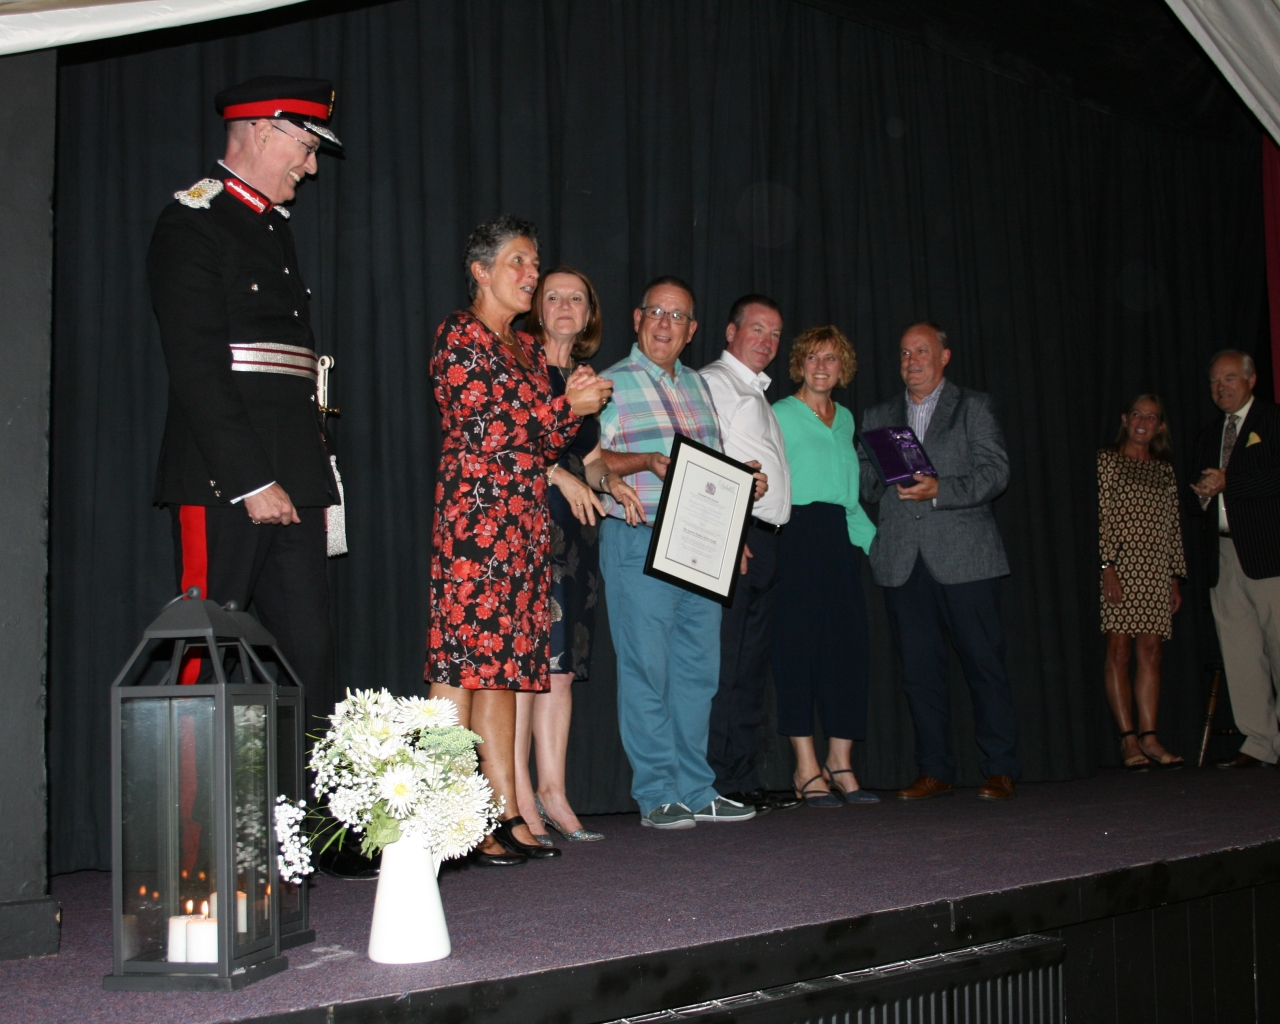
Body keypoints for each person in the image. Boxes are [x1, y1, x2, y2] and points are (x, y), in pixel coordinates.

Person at [148, 76, 345, 723]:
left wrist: (301, 472)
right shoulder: (194, 221)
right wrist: (250, 480)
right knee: (201, 648)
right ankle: (186, 793)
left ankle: (313, 792)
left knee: (310, 658)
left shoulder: (271, 228)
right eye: (306, 148)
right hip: (226, 481)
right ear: (262, 131)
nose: (311, 167)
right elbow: (197, 369)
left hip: (294, 473)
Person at [426, 217, 613, 865]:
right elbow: (487, 429)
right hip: (475, 522)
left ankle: (504, 811)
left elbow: (546, 441)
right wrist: (568, 408)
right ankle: (453, 816)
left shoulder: (528, 349)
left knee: (504, 671)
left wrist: (573, 405)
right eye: (519, 262)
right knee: (460, 665)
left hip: (525, 525)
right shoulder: (460, 335)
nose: (531, 274)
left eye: (535, 263)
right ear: (481, 271)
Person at [589, 276, 763, 829]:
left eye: (678, 316)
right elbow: (589, 463)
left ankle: (697, 788)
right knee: (647, 671)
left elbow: (712, 469)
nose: (666, 324)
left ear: (691, 331)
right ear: (637, 319)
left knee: (698, 673)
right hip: (638, 537)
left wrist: (740, 505)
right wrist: (643, 461)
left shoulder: (699, 388)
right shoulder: (608, 385)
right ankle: (658, 792)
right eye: (657, 312)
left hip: (701, 546)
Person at [858, 321, 1021, 801]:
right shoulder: (878, 414)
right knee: (918, 674)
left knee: (984, 666)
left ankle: (1001, 767)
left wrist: (939, 490)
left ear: (944, 357)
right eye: (905, 353)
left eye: (922, 351)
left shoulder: (974, 406)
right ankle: (934, 769)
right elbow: (866, 484)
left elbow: (996, 472)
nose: (912, 361)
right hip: (902, 561)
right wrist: (876, 470)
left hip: (966, 559)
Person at [513, 267, 642, 844]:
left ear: (590, 314)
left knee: (560, 671)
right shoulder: (519, 364)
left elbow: (588, 459)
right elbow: (508, 441)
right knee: (526, 670)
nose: (565, 306)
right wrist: (556, 476)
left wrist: (612, 482)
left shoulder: (583, 379)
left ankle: (554, 793)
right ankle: (518, 797)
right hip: (526, 524)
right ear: (537, 308)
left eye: (577, 299)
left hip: (576, 533)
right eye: (554, 297)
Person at [698, 295, 799, 814]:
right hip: (738, 536)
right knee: (726, 662)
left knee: (750, 666)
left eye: (775, 333)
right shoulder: (717, 382)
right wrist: (729, 530)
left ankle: (741, 775)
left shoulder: (754, 391)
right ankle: (717, 778)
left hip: (766, 539)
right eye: (757, 329)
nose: (767, 341)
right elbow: (706, 460)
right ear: (731, 331)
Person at [771, 326, 879, 806]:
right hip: (795, 537)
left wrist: (879, 546)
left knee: (848, 652)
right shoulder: (779, 414)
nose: (821, 366)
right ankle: (805, 767)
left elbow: (849, 497)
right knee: (798, 652)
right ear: (799, 363)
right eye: (812, 357)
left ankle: (840, 762)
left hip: (839, 540)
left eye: (831, 358)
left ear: (843, 367)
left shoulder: (847, 419)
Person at [1191, 350, 1280, 769]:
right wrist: (1202, 496)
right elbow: (1198, 491)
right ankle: (1259, 743)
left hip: (1269, 554)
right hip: (1223, 556)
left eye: (1228, 378)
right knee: (1241, 655)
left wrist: (1230, 481)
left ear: (1251, 380)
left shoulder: (1272, 420)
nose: (1220, 387)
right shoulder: (1210, 434)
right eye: (1214, 381)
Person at [1098, 395, 1186, 770]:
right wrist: (1107, 565)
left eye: (1151, 418)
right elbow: (1101, 516)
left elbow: (1173, 526)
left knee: (1151, 651)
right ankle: (1128, 739)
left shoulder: (1164, 470)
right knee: (1119, 651)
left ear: (1160, 426)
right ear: (1125, 419)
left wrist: (1174, 576)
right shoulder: (1107, 461)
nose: (1142, 422)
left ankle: (1149, 737)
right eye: (1137, 415)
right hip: (1119, 567)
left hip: (1155, 569)